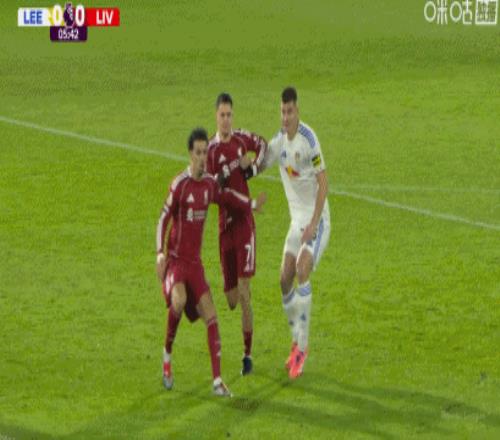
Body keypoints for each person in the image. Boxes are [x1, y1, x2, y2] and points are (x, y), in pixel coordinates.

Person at [156, 127, 266, 396]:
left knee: (212, 316)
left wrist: (251, 204)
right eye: (198, 153)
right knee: (179, 300)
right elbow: (163, 218)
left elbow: (228, 197)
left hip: (195, 266)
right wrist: (160, 253)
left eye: (205, 152)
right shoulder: (179, 184)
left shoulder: (208, 185)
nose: (203, 158)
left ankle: (217, 382)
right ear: (190, 154)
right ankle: (167, 357)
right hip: (176, 262)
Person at [260, 87, 330, 379]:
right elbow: (258, 166)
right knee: (283, 279)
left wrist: (314, 223)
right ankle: (295, 340)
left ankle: (303, 346)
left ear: (297, 111)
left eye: (290, 111)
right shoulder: (279, 143)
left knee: (302, 269)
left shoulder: (308, 140)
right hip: (296, 221)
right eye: (282, 112)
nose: (286, 117)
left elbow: (324, 183)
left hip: (317, 219)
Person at [206, 93, 267, 375]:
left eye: (229, 115)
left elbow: (263, 145)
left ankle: (247, 355)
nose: (226, 120)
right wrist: (221, 179)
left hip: (244, 225)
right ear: (216, 117)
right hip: (225, 229)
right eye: (222, 115)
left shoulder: (242, 139)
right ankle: (245, 344)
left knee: (244, 292)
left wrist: (251, 169)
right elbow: (210, 191)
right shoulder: (210, 151)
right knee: (231, 299)